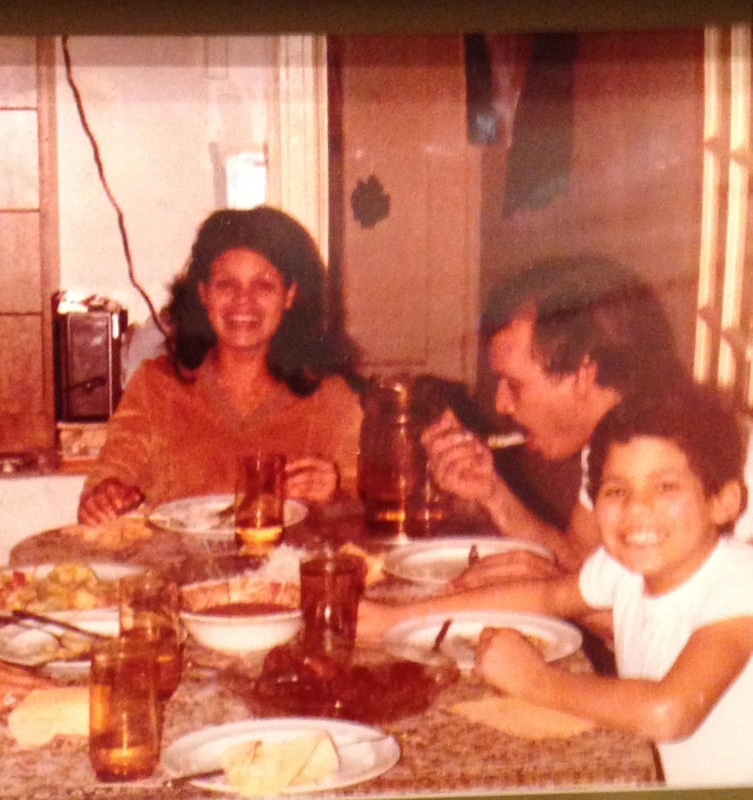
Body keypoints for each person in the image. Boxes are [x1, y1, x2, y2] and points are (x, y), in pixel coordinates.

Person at [361, 381, 753, 787]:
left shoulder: (739, 584)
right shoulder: (625, 566)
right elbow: (546, 596)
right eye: (616, 490)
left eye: (665, 487)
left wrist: (534, 680)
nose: (637, 509)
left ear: (724, 501)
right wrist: (393, 620)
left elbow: (670, 713)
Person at [78, 207, 363, 524]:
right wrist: (105, 499)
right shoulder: (155, 386)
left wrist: (336, 495)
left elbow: (364, 521)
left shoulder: (332, 400)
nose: (243, 301)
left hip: (286, 572)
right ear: (203, 293)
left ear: (290, 295)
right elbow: (103, 485)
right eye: (226, 285)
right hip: (173, 572)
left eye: (263, 286)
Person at [423, 256, 689, 576]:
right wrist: (492, 493)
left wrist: (547, 585)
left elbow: (649, 621)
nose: (501, 404)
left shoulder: (674, 459)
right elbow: (580, 562)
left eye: (515, 384)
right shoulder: (617, 438)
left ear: (583, 374)